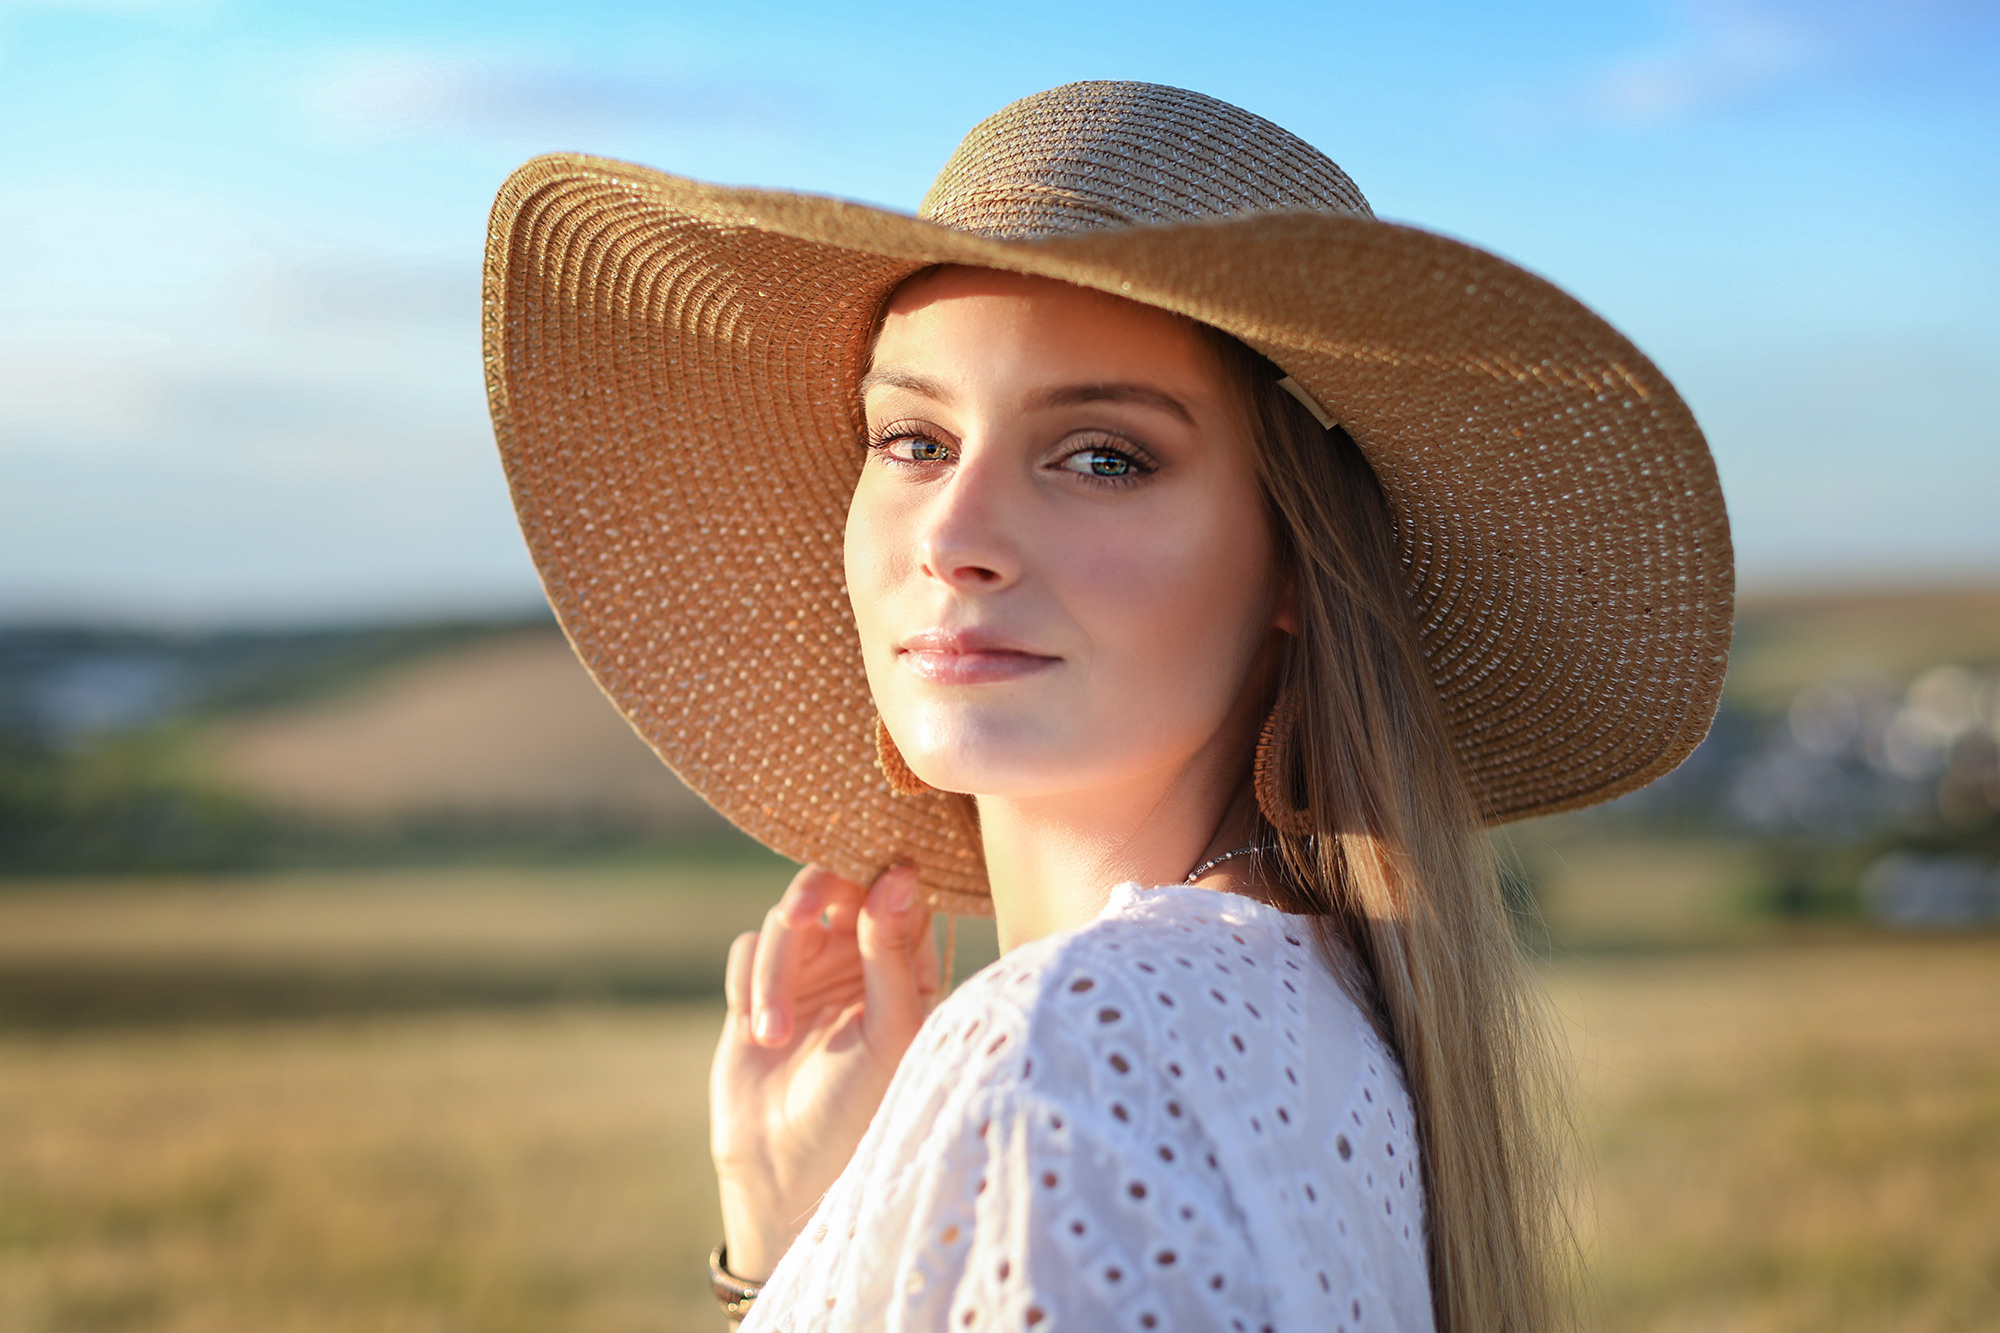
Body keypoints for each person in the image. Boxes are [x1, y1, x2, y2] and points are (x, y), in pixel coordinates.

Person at [482, 82, 1733, 1332]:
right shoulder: (1310, 1020)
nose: (955, 538)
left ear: (1296, 559)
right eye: (912, 440)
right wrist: (795, 1233)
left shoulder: (1074, 1052)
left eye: (1101, 457)